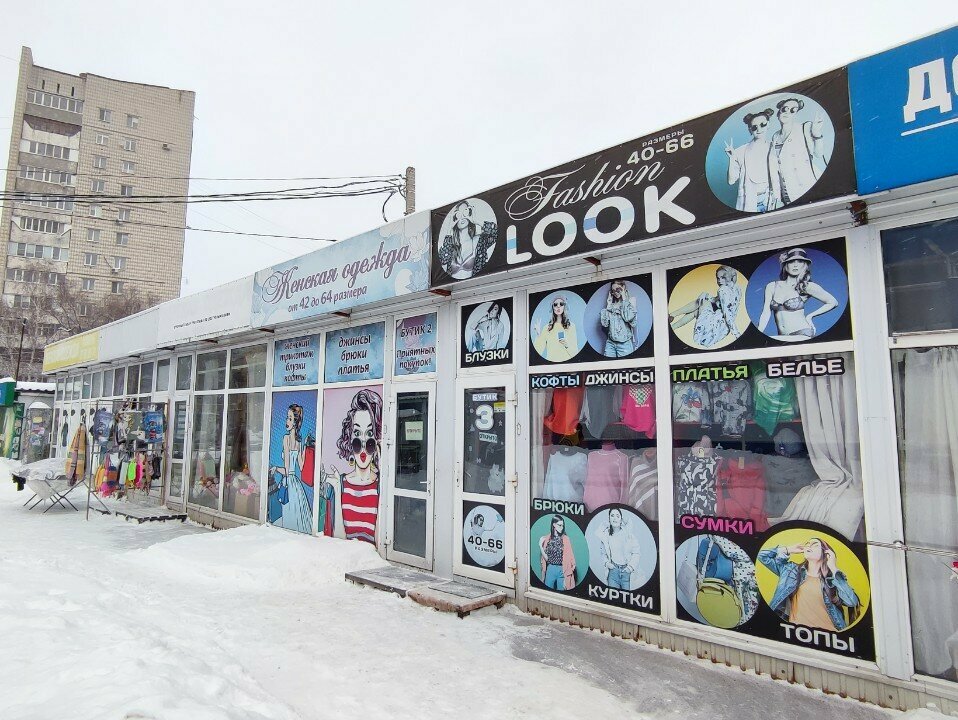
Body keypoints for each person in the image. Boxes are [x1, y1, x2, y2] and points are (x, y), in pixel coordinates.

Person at [758, 537, 860, 631]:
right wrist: (788, 549)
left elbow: (852, 602)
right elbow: (762, 556)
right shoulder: (791, 570)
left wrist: (833, 567)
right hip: (798, 634)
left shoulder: (834, 579)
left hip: (829, 635)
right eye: (808, 544)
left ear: (826, 553)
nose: (809, 546)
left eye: (815, 545)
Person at [323, 389, 383, 544]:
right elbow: (339, 540)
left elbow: (380, 543)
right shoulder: (342, 484)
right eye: (357, 433)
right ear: (349, 438)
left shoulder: (381, 486)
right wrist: (337, 490)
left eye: (369, 434)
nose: (363, 444)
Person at [758, 248, 838, 340]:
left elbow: (833, 302)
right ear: (785, 265)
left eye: (800, 262)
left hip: (802, 332)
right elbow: (766, 312)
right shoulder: (772, 286)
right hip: (782, 336)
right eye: (791, 262)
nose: (795, 265)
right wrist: (759, 333)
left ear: (804, 265)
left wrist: (810, 316)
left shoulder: (806, 286)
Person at [768, 98, 827, 207]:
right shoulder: (775, 136)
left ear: (795, 114)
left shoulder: (805, 127)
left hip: (806, 187)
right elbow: (775, 166)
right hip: (786, 191)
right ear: (779, 111)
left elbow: (818, 154)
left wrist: (817, 133)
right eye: (785, 109)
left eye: (792, 110)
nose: (787, 112)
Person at [669, 266, 742, 348]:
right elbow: (717, 302)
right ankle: (672, 325)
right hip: (722, 328)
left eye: (723, 278)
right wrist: (705, 294)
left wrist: (736, 334)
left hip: (715, 326)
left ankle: (672, 315)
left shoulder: (723, 289)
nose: (719, 281)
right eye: (718, 278)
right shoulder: (737, 288)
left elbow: (727, 313)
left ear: (730, 277)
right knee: (698, 307)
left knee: (702, 302)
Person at [269, 404, 312, 534]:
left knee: (288, 515)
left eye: (290, 418)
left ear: (295, 422)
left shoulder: (286, 438)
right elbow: (301, 466)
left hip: (288, 483)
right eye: (287, 418)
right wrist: (304, 448)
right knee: (298, 516)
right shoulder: (298, 442)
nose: (287, 421)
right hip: (296, 485)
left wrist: (276, 468)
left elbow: (287, 471)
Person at [725, 109, 774, 213]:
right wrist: (732, 158)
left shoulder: (774, 147)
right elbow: (731, 181)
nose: (759, 129)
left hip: (771, 201)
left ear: (768, 124)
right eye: (754, 127)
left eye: (763, 125)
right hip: (750, 203)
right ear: (750, 130)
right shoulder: (740, 151)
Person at [437, 199, 496, 279]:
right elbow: (442, 259)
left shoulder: (479, 240)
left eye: (465, 212)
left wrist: (476, 220)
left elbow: (495, 233)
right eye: (458, 214)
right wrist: (449, 228)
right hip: (455, 286)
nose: (462, 217)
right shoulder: (451, 247)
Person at [597, 508, 641, 590]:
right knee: (613, 596)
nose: (615, 518)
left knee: (626, 596)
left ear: (621, 519)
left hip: (626, 572)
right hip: (613, 572)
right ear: (609, 519)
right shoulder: (605, 535)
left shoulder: (628, 534)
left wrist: (630, 568)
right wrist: (607, 563)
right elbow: (603, 553)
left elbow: (636, 553)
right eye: (612, 516)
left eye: (617, 516)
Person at [533, 295, 578, 362]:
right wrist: (538, 333)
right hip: (551, 364)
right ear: (552, 307)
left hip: (567, 364)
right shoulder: (547, 328)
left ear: (564, 306)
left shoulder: (571, 326)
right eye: (555, 304)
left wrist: (566, 345)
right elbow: (539, 351)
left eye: (561, 304)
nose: (558, 306)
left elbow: (575, 353)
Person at [538, 515, 576, 591]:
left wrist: (566, 578)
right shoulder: (547, 539)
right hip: (550, 569)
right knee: (547, 592)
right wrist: (540, 546)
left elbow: (571, 559)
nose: (561, 527)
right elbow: (547, 559)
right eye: (559, 525)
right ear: (554, 525)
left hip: (562, 570)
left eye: (562, 525)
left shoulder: (566, 539)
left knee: (561, 592)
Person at [599, 280, 637, 357]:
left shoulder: (631, 301)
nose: (615, 293)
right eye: (613, 291)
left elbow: (628, 317)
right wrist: (608, 304)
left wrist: (624, 297)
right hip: (610, 343)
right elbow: (605, 324)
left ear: (623, 287)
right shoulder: (612, 305)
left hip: (624, 344)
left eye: (618, 289)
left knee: (626, 364)